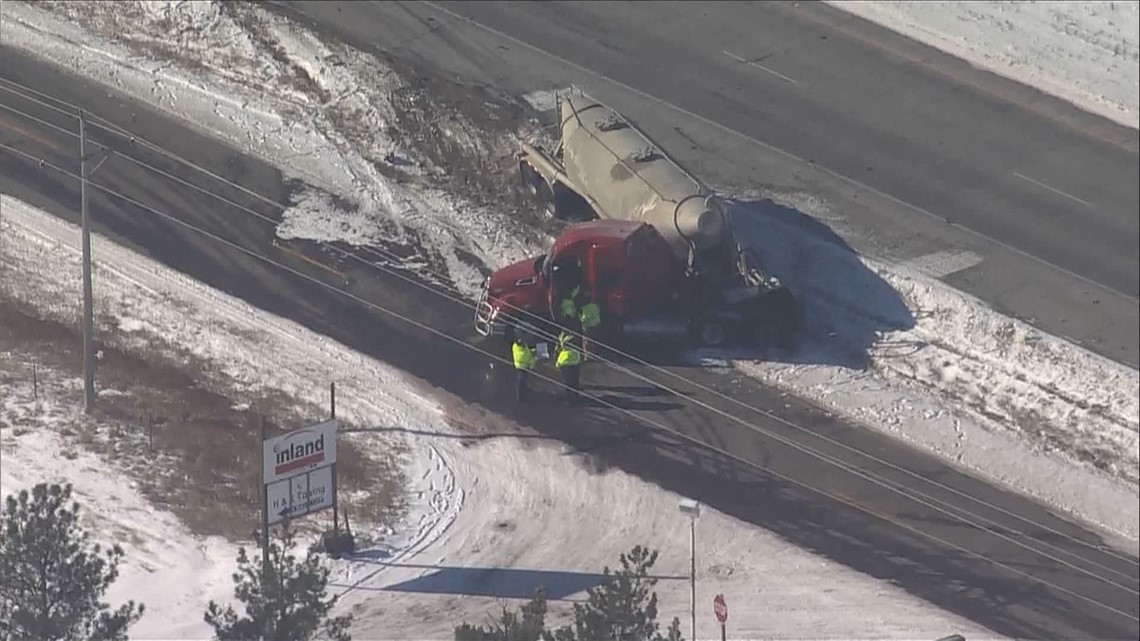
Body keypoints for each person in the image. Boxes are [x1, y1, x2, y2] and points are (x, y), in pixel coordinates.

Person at [554, 331, 582, 405]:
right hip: (574, 367)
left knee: (567, 384)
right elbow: (578, 360)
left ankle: (569, 400)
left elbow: (559, 363)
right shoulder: (576, 352)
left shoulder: (563, 354)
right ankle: (576, 397)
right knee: (575, 383)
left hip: (565, 369)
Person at [511, 335, 537, 403]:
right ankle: (520, 398)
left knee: (524, 382)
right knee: (521, 383)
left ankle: (524, 395)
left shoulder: (522, 347)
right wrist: (533, 359)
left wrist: (532, 351)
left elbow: (527, 352)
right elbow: (524, 356)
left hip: (525, 367)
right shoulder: (518, 348)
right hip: (521, 367)